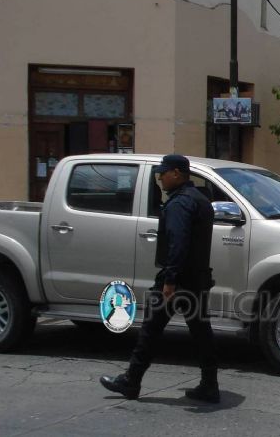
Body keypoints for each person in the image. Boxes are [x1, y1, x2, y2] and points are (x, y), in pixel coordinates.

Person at [100, 154, 219, 403]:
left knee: (150, 331)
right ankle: (210, 384)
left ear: (176, 173)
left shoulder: (179, 204)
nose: (160, 178)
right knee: (201, 332)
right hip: (198, 278)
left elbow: (178, 243)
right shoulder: (201, 200)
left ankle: (131, 381)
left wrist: (170, 280)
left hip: (177, 280)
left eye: (163, 173)